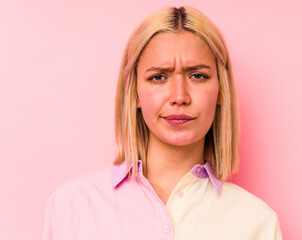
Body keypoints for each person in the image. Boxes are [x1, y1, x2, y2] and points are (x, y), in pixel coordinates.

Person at [43, 6, 282, 240]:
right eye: (158, 77)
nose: (179, 96)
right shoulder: (72, 206)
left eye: (198, 76)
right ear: (134, 92)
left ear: (221, 90)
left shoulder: (257, 221)